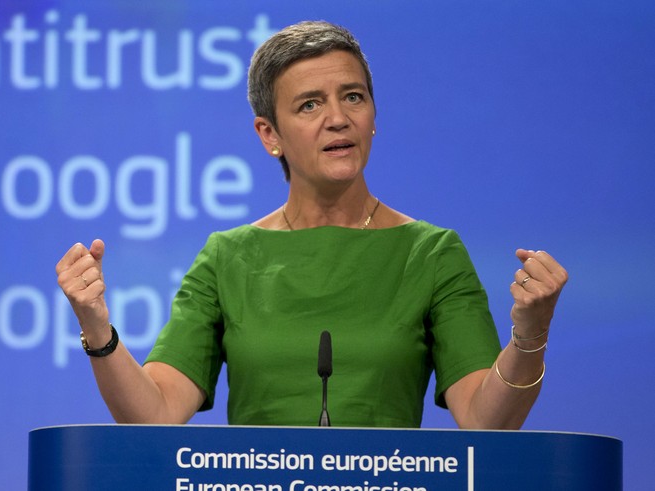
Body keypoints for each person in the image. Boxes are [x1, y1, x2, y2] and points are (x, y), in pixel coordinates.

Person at [55, 21, 567, 429]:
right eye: (310, 104)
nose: (338, 118)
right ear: (269, 134)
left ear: (372, 115)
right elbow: (157, 414)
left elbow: (485, 422)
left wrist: (530, 336)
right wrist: (98, 329)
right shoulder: (227, 258)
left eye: (353, 97)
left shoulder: (430, 254)